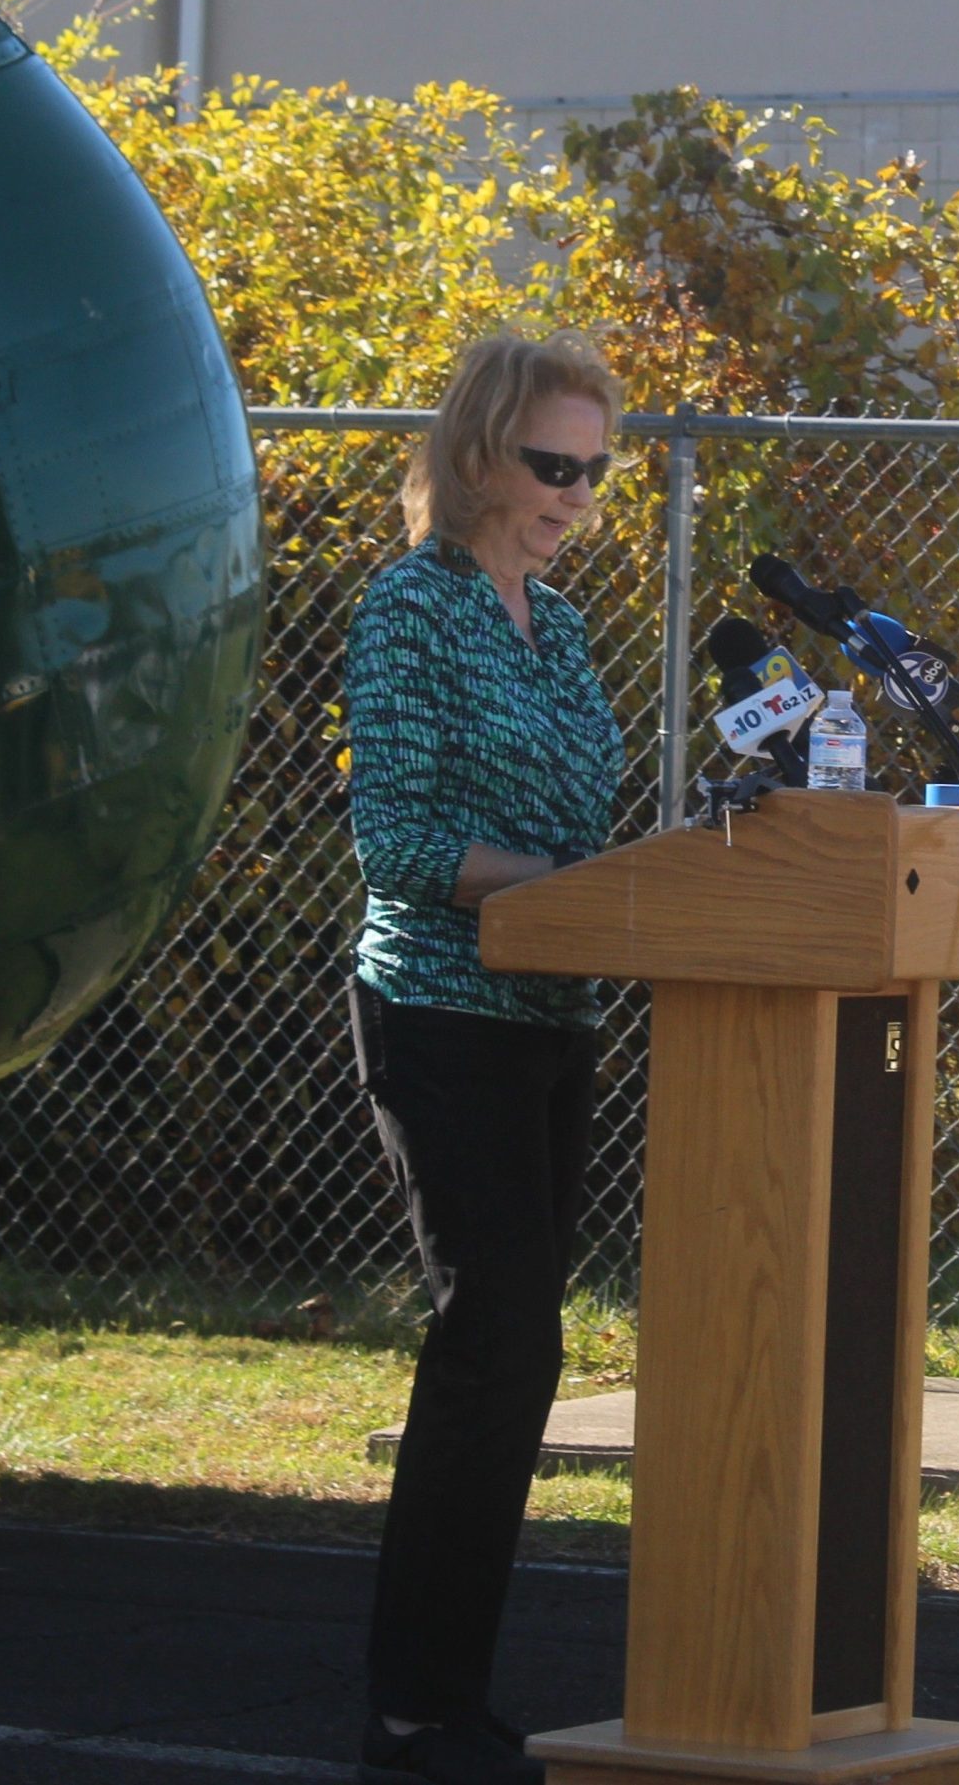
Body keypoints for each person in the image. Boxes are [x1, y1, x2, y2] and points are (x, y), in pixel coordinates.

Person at [342, 329, 625, 1785]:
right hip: (443, 1013)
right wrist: (570, 892)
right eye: (551, 463)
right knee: (494, 1333)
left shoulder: (559, 630)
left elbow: (584, 831)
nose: (574, 493)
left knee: (524, 1349)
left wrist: (636, 886)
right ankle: (412, 1700)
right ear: (477, 456)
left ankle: (451, 1690)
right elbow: (396, 839)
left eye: (594, 469)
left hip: (554, 1021)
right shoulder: (412, 607)